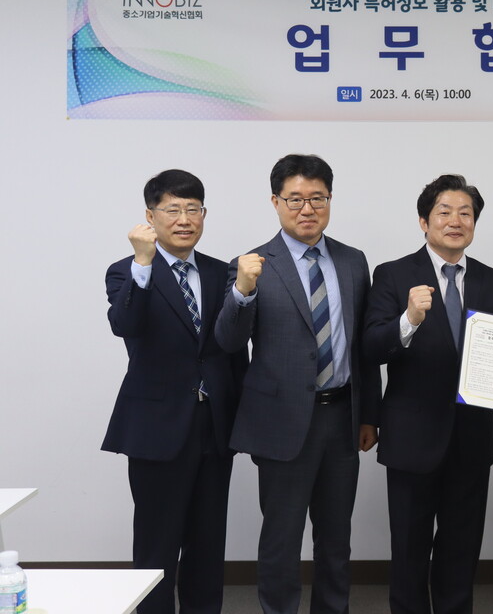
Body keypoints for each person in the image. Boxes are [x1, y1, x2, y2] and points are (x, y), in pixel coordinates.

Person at [215, 154, 381, 614]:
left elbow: (362, 347)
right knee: (281, 539)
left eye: (317, 198)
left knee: (336, 538)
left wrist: (369, 415)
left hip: (341, 419)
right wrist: (242, 290)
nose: (307, 209)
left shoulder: (352, 261)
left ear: (329, 200)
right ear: (276, 202)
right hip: (282, 424)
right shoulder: (251, 264)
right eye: (295, 199)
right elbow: (229, 341)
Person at [364, 174, 493, 614]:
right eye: (444, 212)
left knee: (461, 552)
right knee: (409, 552)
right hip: (412, 438)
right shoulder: (392, 274)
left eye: (465, 213)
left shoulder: (491, 280)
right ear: (424, 221)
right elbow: (370, 348)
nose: (455, 221)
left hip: (472, 438)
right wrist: (408, 318)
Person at [103, 169, 246, 614]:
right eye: (172, 210)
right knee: (156, 546)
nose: (184, 219)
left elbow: (233, 350)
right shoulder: (126, 271)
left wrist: (241, 419)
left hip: (214, 427)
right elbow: (125, 325)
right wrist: (143, 263)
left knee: (207, 547)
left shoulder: (222, 272)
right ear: (150, 216)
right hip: (157, 429)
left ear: (204, 214)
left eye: (193, 209)